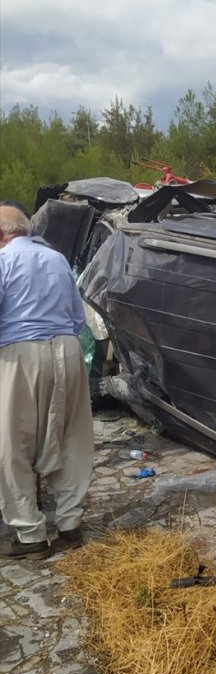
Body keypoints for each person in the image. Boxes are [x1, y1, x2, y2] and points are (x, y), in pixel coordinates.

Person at [0, 204, 94, 559]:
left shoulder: (3, 261)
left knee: (12, 444)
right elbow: (76, 317)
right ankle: (70, 524)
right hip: (67, 350)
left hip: (19, 351)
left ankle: (30, 535)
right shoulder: (56, 259)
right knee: (71, 437)